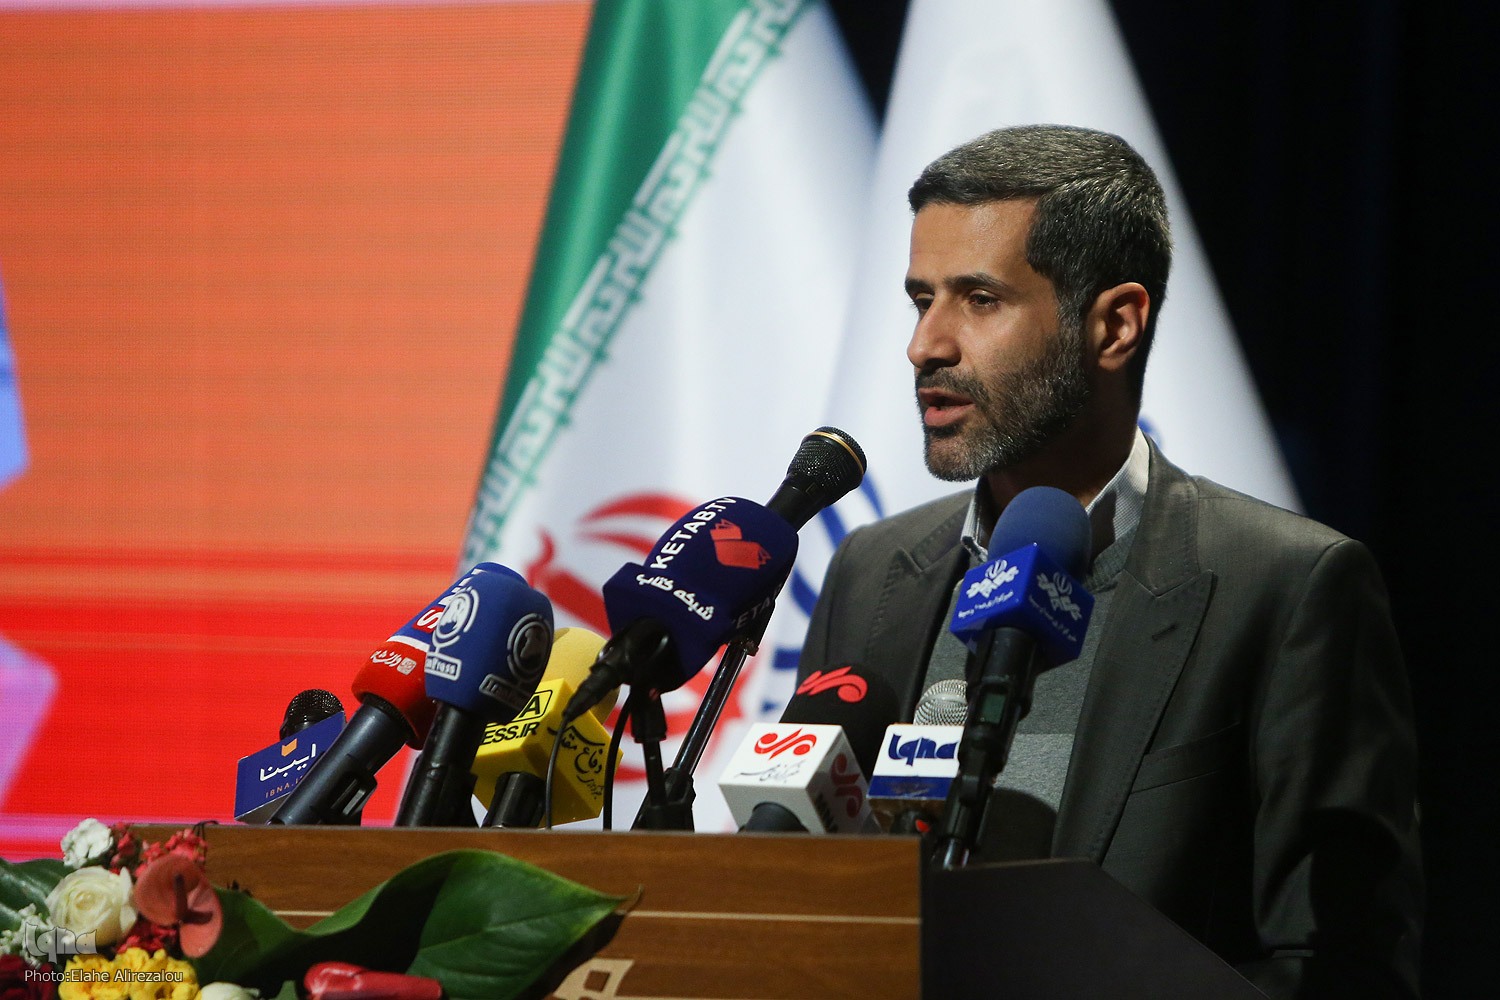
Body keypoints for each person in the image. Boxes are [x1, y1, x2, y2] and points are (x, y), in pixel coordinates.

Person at [789, 125, 1422, 999]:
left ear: (1115, 325)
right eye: (920, 299)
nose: (925, 345)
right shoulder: (872, 571)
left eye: (979, 299)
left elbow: (1339, 968)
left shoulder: (1286, 588)